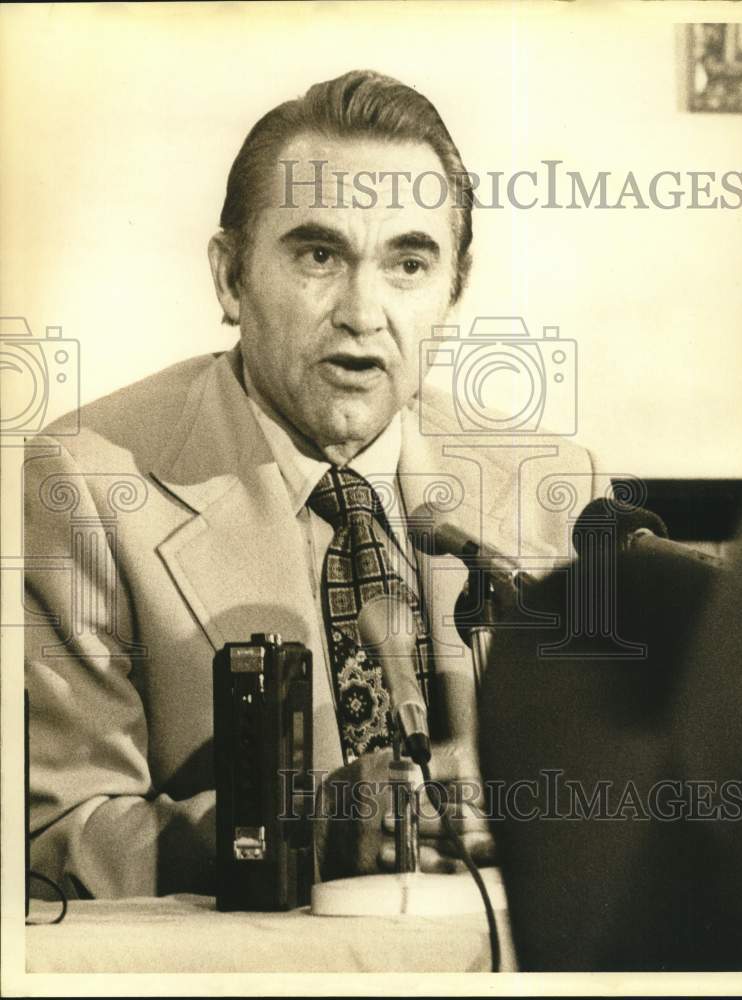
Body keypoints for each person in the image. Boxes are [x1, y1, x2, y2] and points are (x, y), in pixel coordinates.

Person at [24, 69, 600, 898]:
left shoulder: (552, 487)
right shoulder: (82, 485)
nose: (364, 311)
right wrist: (301, 832)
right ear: (230, 278)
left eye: (408, 262)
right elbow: (58, 839)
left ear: (453, 291)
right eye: (319, 255)